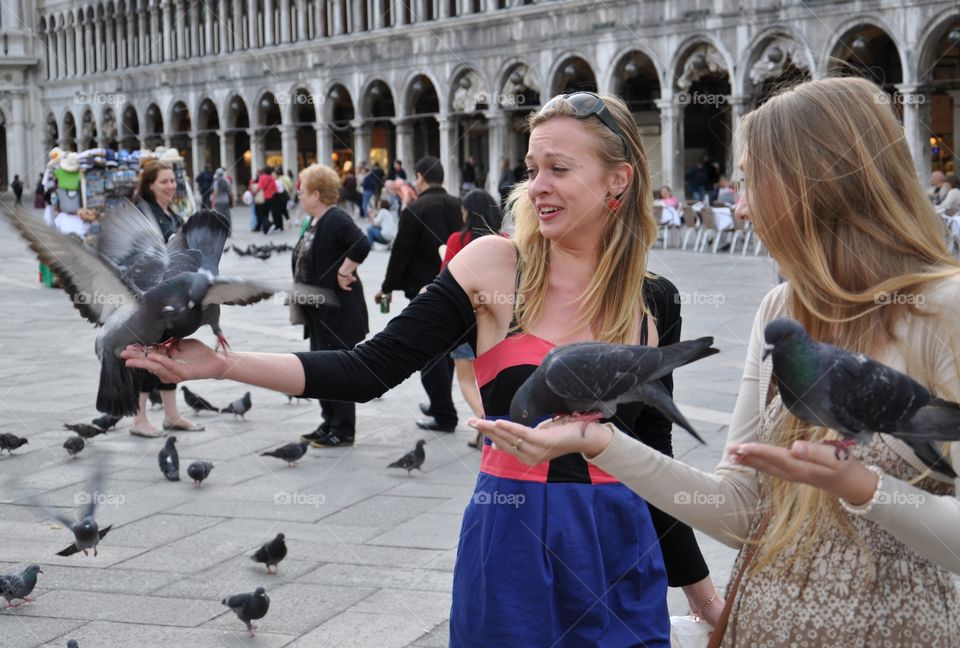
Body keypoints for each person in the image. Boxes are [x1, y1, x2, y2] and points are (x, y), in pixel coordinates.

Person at [122, 92, 720, 647]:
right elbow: (367, 369)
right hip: (515, 541)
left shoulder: (653, 300)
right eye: (532, 169)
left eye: (559, 170)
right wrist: (223, 366)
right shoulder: (493, 266)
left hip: (622, 546)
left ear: (619, 180)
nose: (537, 186)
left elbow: (653, 454)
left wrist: (704, 596)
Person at [477, 78, 960, 647]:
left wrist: (863, 487)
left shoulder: (943, 309)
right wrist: (601, 443)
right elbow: (739, 509)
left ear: (819, 183)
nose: (743, 204)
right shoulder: (781, 310)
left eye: (755, 180)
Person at [376, 156, 462, 433]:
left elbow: (400, 254)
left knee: (430, 354)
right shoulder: (457, 205)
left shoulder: (415, 209)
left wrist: (387, 287)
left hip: (427, 291)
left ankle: (444, 413)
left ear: (421, 177)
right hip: (459, 288)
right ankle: (440, 403)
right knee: (447, 351)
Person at [292, 164, 371, 448]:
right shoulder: (314, 221)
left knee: (338, 369)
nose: (299, 195)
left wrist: (343, 271)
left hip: (338, 312)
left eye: (302, 190)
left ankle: (343, 429)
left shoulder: (335, 218)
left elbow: (361, 244)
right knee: (321, 367)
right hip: (318, 311)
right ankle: (328, 421)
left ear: (316, 194)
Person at [129, 159, 203, 437]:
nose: (171, 186)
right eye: (164, 181)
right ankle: (139, 419)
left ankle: (171, 415)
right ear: (150, 185)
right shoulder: (143, 214)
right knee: (147, 355)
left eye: (173, 180)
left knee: (169, 351)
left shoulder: (169, 213)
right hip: (148, 298)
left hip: (170, 296)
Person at [440, 189, 503, 448]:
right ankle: (489, 427)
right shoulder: (503, 241)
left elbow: (445, 279)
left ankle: (487, 426)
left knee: (466, 380)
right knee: (489, 380)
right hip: (494, 322)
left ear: (468, 211)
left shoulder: (458, 239)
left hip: (462, 322)